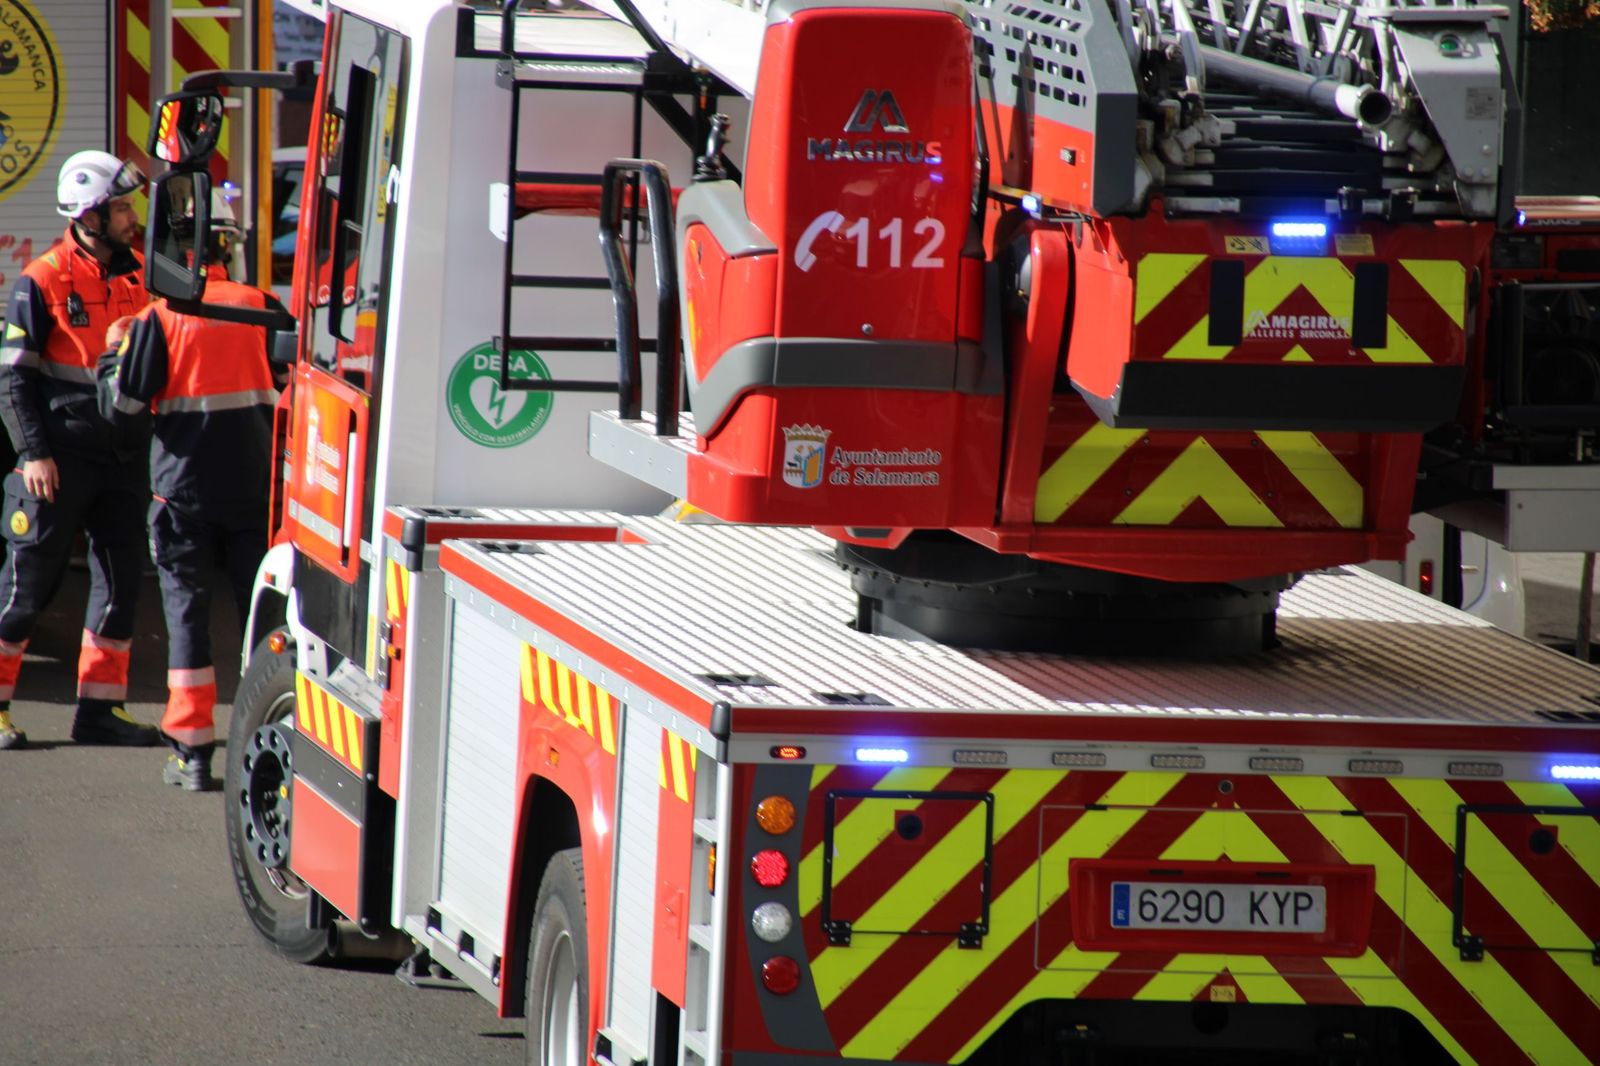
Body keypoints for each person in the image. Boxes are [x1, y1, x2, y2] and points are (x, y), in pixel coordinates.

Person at [98, 188, 284, 790]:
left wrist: (112, 356)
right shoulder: (261, 304)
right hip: (255, 490)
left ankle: (194, 754)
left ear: (173, 251)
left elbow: (123, 408)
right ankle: (269, 740)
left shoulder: (162, 317)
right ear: (226, 246)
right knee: (265, 617)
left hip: (182, 494)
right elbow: (287, 385)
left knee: (187, 616)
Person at [0, 151, 158, 751]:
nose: (130, 215)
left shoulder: (143, 272)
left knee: (120, 586)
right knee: (26, 585)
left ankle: (98, 713)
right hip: (59, 458)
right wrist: (33, 453)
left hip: (124, 458)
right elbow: (13, 379)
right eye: (120, 206)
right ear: (89, 215)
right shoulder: (41, 278)